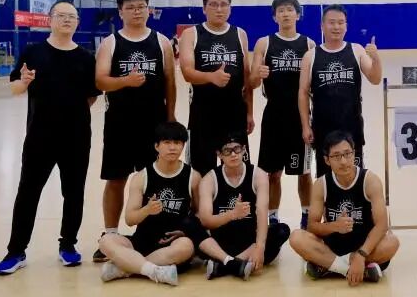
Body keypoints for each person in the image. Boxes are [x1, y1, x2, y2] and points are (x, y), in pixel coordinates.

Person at [0, 1, 98, 275]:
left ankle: (68, 245)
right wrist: (24, 82)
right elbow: (15, 88)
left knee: (73, 192)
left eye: (72, 16)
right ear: (50, 20)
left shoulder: (86, 58)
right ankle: (16, 251)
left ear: (78, 22)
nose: (67, 20)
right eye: (61, 16)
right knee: (28, 192)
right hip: (40, 136)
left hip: (76, 137)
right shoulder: (33, 52)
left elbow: (91, 97)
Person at [93, 0, 176, 262]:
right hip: (119, 123)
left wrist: (170, 117)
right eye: (130, 7)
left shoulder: (161, 42)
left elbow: (170, 81)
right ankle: (110, 234)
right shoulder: (110, 43)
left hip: (154, 123)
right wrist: (125, 82)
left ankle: (150, 233)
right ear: (121, 12)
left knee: (154, 178)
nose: (137, 11)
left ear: (148, 10)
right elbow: (100, 81)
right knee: (116, 179)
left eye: (141, 7)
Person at [289, 131, 399, 285]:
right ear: (327, 160)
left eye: (347, 154)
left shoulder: (370, 181)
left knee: (392, 242)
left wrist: (361, 254)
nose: (343, 161)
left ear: (354, 154)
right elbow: (312, 226)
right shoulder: (321, 184)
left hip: (364, 246)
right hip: (333, 246)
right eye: (336, 156)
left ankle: (329, 266)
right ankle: (351, 269)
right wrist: (335, 226)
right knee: (296, 237)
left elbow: (381, 226)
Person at [98, 121, 198, 286]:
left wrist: (186, 230)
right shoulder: (141, 177)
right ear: (156, 146)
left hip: (172, 242)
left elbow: (198, 214)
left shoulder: (193, 177)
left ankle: (126, 268)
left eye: (177, 143)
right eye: (167, 142)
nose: (172, 147)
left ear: (183, 145)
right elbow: (130, 219)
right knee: (106, 241)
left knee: (187, 246)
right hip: (142, 240)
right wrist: (147, 210)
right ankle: (152, 270)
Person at [249, 0, 316, 229]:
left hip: (300, 116)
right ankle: (272, 219)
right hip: (274, 116)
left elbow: (314, 85)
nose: (285, 14)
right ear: (274, 16)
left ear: (298, 15)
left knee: (304, 172)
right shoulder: (264, 43)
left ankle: (307, 217)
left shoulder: (308, 45)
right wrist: (258, 74)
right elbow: (251, 82)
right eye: (281, 10)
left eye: (289, 9)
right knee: (273, 174)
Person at [297, 5, 381, 177]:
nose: (336, 27)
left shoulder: (356, 50)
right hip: (323, 128)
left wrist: (376, 59)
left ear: (346, 26)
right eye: (332, 22)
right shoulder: (310, 56)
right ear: (322, 26)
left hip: (352, 127)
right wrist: (305, 126)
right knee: (325, 178)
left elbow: (375, 78)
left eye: (341, 23)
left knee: (354, 177)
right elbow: (303, 93)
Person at [195, 134, 291, 279]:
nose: (233, 154)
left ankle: (224, 265)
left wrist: (259, 247)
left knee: (282, 230)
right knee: (191, 224)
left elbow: (262, 213)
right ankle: (236, 264)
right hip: (220, 243)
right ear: (219, 154)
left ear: (244, 150)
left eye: (237, 149)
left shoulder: (258, 175)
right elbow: (206, 221)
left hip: (249, 242)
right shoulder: (209, 179)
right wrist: (232, 214)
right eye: (227, 151)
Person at [178, 0, 252, 174]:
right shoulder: (191, 34)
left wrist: (249, 113)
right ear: (204, 8)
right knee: (201, 172)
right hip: (203, 114)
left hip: (235, 113)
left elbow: (246, 79)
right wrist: (211, 77)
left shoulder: (240, 34)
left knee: (237, 170)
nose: (219, 9)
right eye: (213, 5)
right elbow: (187, 72)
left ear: (230, 8)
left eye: (224, 5)